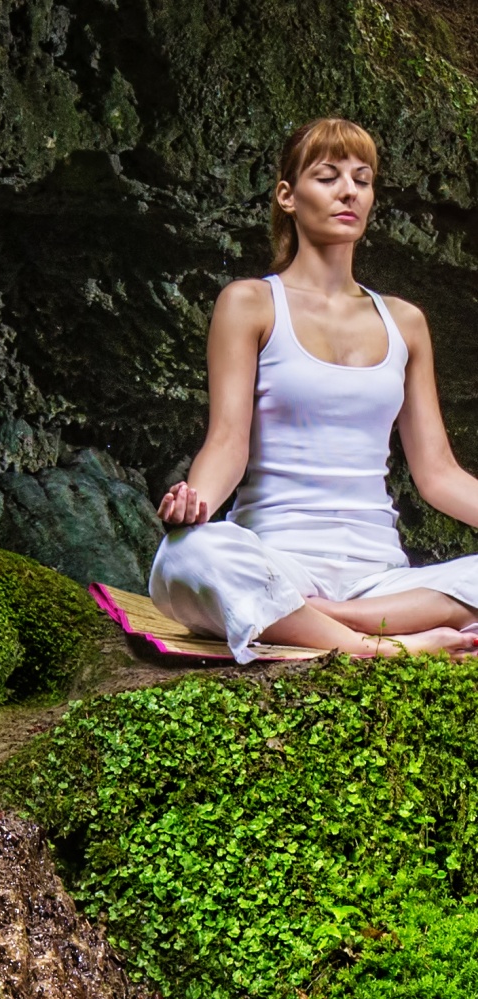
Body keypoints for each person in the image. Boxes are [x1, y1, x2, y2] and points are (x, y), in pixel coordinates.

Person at [150, 117, 478, 660]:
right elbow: (227, 442)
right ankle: (385, 647)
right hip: (277, 558)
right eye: (328, 177)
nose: (349, 190)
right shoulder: (249, 303)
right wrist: (195, 506)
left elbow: (439, 474)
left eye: (362, 178)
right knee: (188, 556)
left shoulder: (406, 321)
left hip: (379, 576)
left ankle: (318, 619)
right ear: (287, 195)